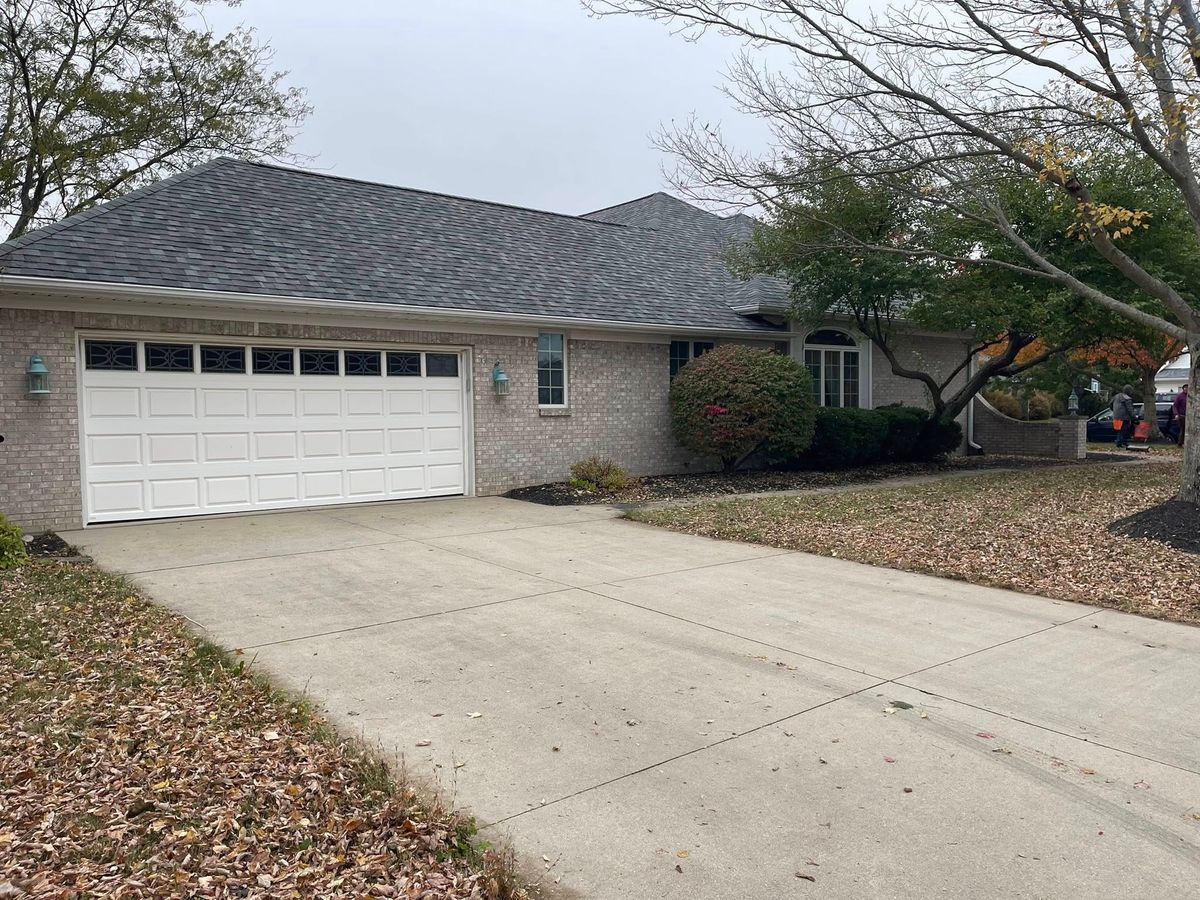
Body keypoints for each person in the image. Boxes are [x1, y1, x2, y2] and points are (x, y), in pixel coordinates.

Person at [1112, 384, 1136, 449]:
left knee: (1119, 430)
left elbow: (1110, 405)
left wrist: (1114, 411)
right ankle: (1120, 443)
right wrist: (1134, 418)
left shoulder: (1116, 397)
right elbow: (1130, 410)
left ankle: (1122, 443)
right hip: (1124, 417)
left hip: (1116, 417)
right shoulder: (1127, 399)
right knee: (1123, 430)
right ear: (1129, 391)